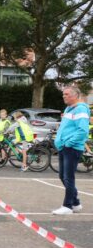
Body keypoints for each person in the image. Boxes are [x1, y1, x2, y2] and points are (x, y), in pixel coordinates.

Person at [52, 85, 91, 215]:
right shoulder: (69, 108)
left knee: (68, 177)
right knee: (62, 176)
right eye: (63, 94)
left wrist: (69, 143)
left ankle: (67, 206)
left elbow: (83, 131)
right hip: (64, 147)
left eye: (67, 94)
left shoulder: (81, 109)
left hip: (71, 148)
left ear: (75, 95)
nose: (64, 96)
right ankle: (75, 203)